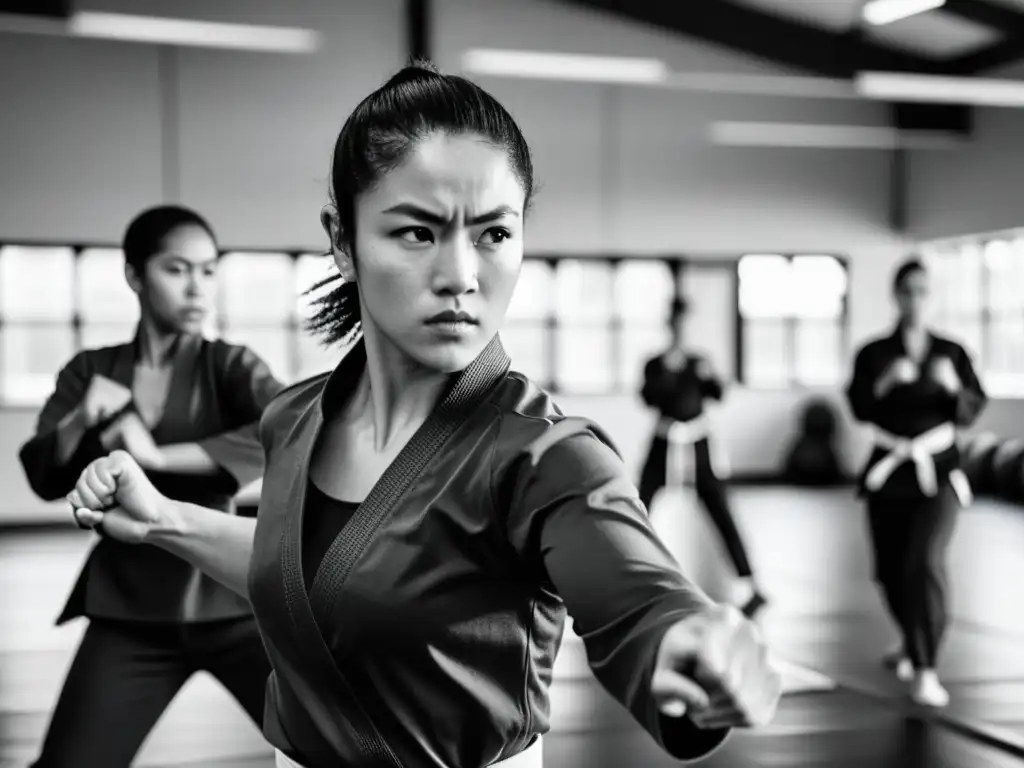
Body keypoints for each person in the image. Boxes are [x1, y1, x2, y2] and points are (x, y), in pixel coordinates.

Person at [67, 63, 782, 768]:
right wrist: (161, 518)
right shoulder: (293, 417)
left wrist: (680, 637)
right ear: (342, 242)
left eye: (495, 235)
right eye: (417, 233)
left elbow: (634, 593)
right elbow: (298, 571)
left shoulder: (545, 453)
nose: (462, 276)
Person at [18, 205, 285, 767]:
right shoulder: (90, 371)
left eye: (209, 271)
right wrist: (81, 418)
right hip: (132, 610)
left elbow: (288, 432)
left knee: (347, 747)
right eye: (177, 269)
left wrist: (154, 455)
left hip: (235, 601)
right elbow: (42, 474)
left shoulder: (231, 365)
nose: (198, 288)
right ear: (135, 276)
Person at [845, 257, 986, 708]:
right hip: (889, 470)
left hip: (939, 471)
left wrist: (953, 390)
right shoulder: (874, 354)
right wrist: (885, 383)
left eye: (923, 291)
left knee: (924, 561)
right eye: (908, 290)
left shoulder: (952, 353)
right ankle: (910, 639)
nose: (915, 299)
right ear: (896, 294)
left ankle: (925, 668)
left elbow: (971, 407)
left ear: (931, 297)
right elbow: (860, 408)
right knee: (888, 571)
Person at [638, 297, 766, 617]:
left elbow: (718, 395)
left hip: (698, 443)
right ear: (669, 325)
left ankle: (748, 583)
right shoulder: (656, 363)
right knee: (639, 506)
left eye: (685, 322)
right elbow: (648, 398)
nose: (680, 328)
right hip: (665, 441)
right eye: (676, 322)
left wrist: (710, 375)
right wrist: (666, 373)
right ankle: (625, 577)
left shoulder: (699, 360)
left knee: (720, 509)